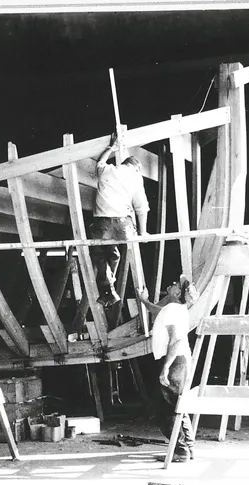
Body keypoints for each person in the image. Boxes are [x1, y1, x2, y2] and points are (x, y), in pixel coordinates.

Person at [136, 274, 199, 462]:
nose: (170, 284)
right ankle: (188, 447)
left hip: (174, 361)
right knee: (178, 405)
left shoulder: (173, 309)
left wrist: (165, 368)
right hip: (180, 361)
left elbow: (176, 339)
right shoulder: (175, 308)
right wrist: (144, 301)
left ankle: (180, 452)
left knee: (165, 408)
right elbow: (158, 312)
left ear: (178, 292)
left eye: (174, 284)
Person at [88, 132, 150, 307]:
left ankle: (108, 290)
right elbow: (142, 207)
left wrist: (111, 147)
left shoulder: (107, 170)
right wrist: (143, 232)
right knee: (114, 254)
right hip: (124, 225)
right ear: (137, 168)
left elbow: (99, 162)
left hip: (102, 224)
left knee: (101, 254)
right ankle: (111, 289)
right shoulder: (136, 178)